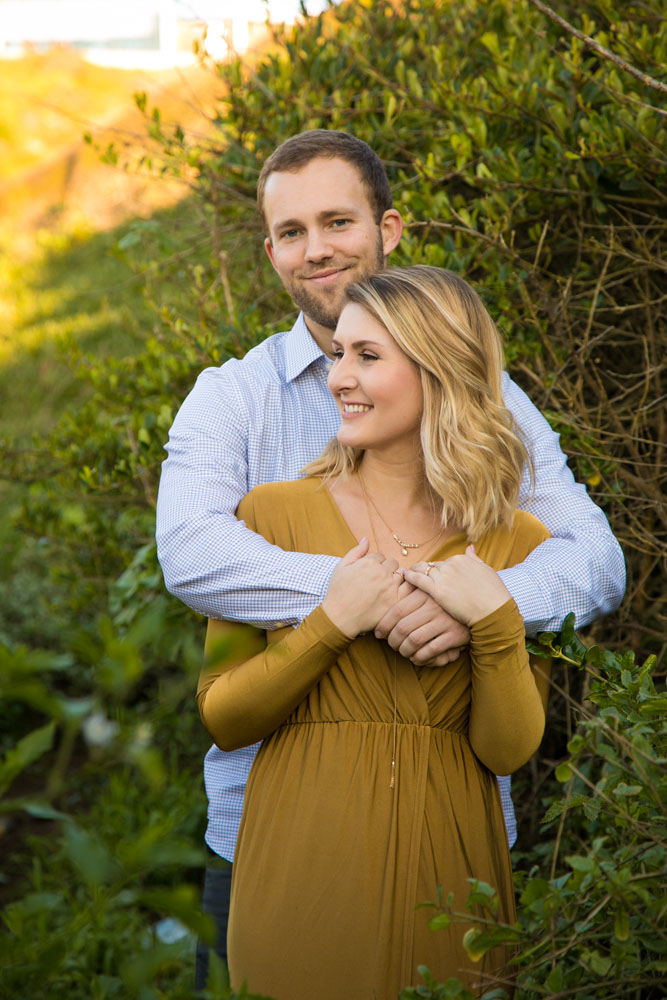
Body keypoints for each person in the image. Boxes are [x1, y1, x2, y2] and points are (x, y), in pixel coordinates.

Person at [154, 131, 625, 984]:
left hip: (453, 836)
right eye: (291, 231)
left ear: (389, 228)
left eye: (337, 220)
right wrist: (351, 595)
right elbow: (191, 552)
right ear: (269, 251)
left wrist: (473, 605)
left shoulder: (490, 404)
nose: (316, 249)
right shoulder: (234, 398)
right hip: (265, 829)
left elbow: (591, 556)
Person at [197, 265, 554, 997]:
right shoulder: (270, 517)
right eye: (337, 355)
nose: (337, 378)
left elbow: (506, 748)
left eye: (367, 356)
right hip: (300, 876)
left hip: (457, 888)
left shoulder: (514, 542)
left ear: (439, 369)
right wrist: (331, 621)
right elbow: (224, 717)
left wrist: (491, 625)